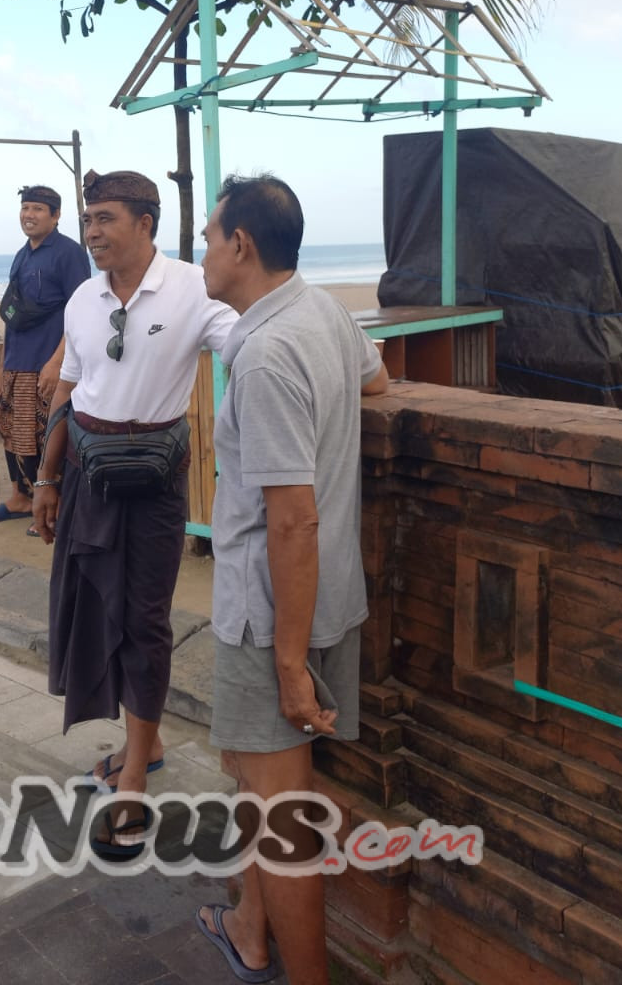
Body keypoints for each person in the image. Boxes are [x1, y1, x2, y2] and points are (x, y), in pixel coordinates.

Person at [195, 174, 388, 985]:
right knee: (254, 776)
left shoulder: (269, 355)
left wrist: (286, 660)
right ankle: (249, 923)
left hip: (271, 617)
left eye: (208, 237)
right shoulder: (323, 314)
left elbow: (292, 519)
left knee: (283, 822)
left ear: (241, 244)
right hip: (323, 601)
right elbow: (375, 384)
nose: (200, 252)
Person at [32, 169, 236, 851]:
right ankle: (138, 746)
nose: (92, 230)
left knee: (144, 621)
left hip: (153, 483)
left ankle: (135, 782)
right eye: (89, 218)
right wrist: (46, 478)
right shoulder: (85, 298)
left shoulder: (193, 287)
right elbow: (69, 383)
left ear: (145, 223)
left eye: (106, 218)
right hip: (87, 474)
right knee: (96, 607)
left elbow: (252, 341)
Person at [0, 185, 89, 536]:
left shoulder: (69, 253)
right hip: (18, 360)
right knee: (12, 431)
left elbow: (81, 310)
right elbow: (13, 312)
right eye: (25, 208)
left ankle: (57, 506)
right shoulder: (21, 255)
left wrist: (57, 362)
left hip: (48, 360)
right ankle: (20, 497)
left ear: (56, 215)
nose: (28, 215)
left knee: (47, 435)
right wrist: (3, 362)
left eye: (37, 209)